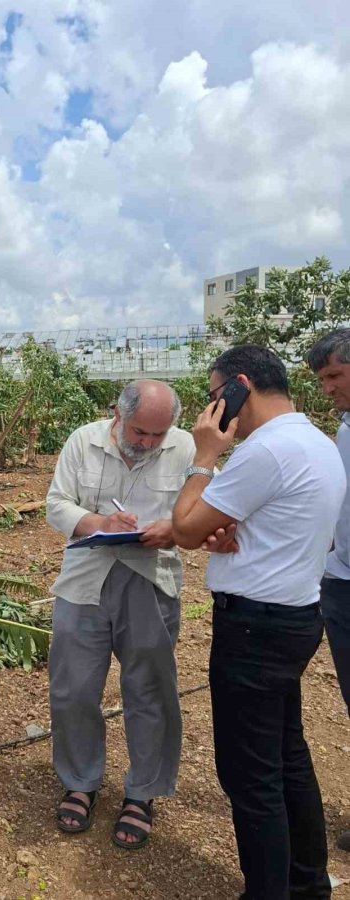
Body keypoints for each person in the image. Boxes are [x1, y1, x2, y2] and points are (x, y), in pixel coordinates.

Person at [172, 344, 344, 900]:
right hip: (295, 618)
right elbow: (253, 528)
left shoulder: (265, 450)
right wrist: (227, 538)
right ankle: (309, 883)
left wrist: (203, 456)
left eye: (215, 395)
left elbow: (184, 528)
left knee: (251, 776)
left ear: (238, 387)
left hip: (253, 631)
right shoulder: (315, 442)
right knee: (287, 755)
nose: (212, 409)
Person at [45, 379, 195, 849]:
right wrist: (98, 523)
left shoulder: (187, 446)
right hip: (85, 578)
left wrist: (173, 528)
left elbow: (198, 511)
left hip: (151, 580)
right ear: (118, 414)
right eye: (139, 432)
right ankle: (81, 781)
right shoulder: (82, 441)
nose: (149, 443)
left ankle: (143, 792)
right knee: (73, 687)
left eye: (158, 435)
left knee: (149, 688)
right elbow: (56, 505)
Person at [307, 329, 350, 853]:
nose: (329, 390)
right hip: (340, 577)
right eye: (323, 381)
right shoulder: (343, 427)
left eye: (335, 377)